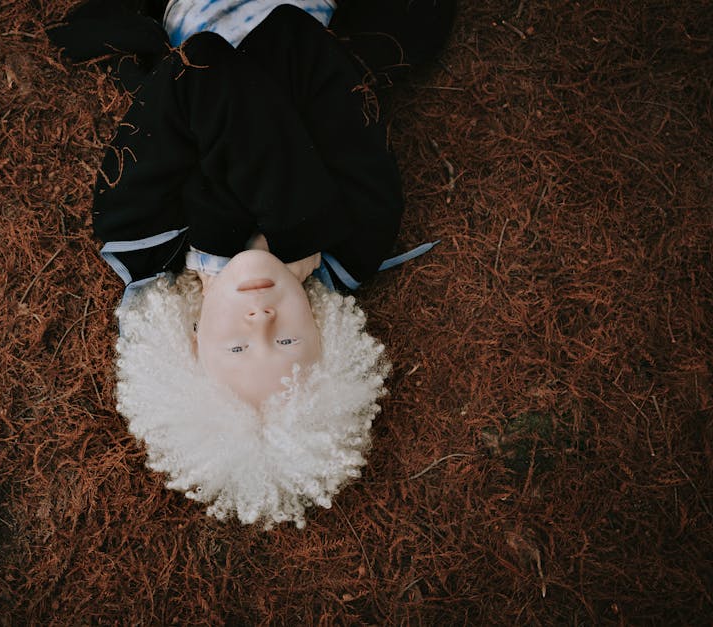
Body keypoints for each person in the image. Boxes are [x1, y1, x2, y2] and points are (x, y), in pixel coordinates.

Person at [48, 0, 455, 528]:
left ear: (191, 341)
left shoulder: (136, 228)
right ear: (326, 340)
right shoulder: (360, 235)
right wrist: (294, 235)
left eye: (237, 347)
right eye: (288, 343)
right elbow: (291, 36)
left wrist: (253, 231)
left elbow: (205, 63)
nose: (262, 322)